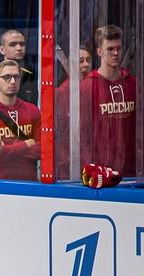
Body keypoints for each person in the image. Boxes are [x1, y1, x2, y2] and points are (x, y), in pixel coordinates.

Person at [79, 25, 136, 176]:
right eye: (110, 49)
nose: (116, 53)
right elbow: (82, 132)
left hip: (132, 169)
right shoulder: (87, 86)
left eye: (119, 48)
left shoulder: (132, 83)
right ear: (99, 52)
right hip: (99, 169)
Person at [0, 59, 42, 181]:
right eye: (7, 77)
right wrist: (26, 144)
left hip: (28, 183)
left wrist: (8, 150)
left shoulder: (33, 110)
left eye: (16, 77)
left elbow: (42, 150)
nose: (13, 81)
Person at [55, 44, 93, 180]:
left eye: (88, 60)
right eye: (80, 61)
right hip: (68, 167)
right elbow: (60, 134)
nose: (85, 65)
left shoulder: (95, 90)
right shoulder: (61, 94)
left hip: (92, 162)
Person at [0, 29, 38, 107]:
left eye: (22, 44)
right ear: (2, 50)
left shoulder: (32, 77)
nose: (19, 48)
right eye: (13, 45)